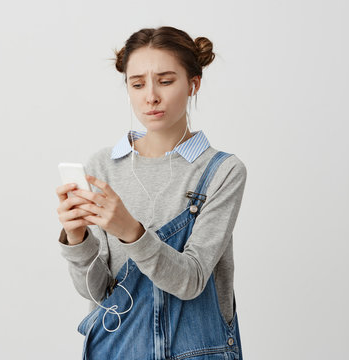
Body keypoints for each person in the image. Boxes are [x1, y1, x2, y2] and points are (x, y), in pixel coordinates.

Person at [55, 26, 247, 359]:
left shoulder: (222, 171)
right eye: (138, 84)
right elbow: (99, 294)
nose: (151, 96)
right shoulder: (103, 166)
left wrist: (129, 230)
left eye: (166, 81)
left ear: (193, 84)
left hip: (198, 351)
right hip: (117, 349)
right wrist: (77, 238)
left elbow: (191, 281)